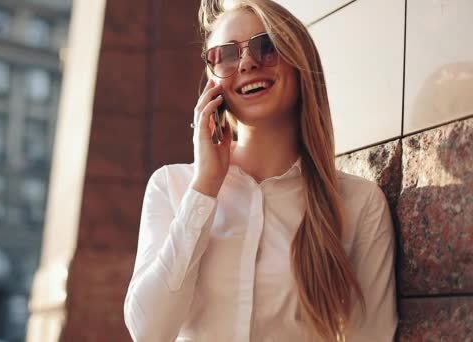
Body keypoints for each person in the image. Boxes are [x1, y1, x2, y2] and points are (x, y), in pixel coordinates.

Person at [123, 0, 398, 340]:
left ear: (300, 62)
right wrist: (205, 187)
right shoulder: (171, 186)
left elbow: (373, 336)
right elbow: (148, 330)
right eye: (226, 54)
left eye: (266, 47)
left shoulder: (358, 203)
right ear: (213, 85)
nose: (248, 62)